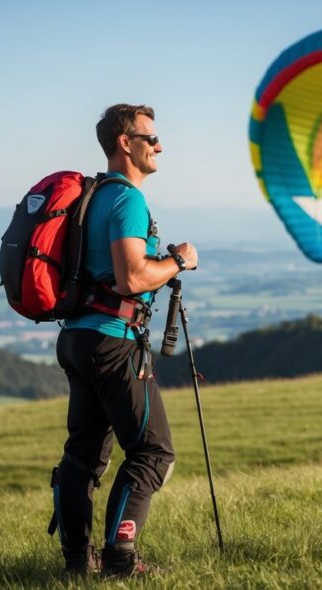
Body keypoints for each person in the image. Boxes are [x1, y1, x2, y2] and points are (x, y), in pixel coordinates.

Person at [51, 104, 198, 578]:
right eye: (150, 137)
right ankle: (119, 561)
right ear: (124, 142)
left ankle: (77, 562)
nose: (159, 146)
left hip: (78, 338)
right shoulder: (128, 199)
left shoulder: (91, 197)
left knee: (83, 454)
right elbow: (131, 278)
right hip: (114, 343)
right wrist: (179, 261)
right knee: (153, 454)